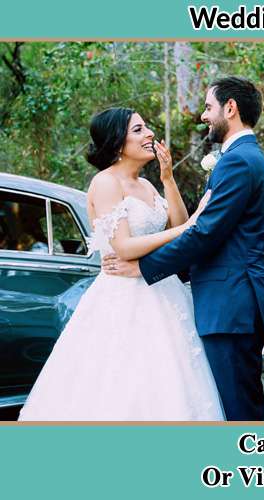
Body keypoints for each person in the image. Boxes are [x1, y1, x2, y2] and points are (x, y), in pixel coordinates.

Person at [18, 107, 223, 421]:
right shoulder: (105, 183)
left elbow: (180, 226)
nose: (150, 134)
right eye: (138, 130)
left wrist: (168, 180)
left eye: (146, 127)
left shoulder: (147, 185)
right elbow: (124, 247)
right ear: (117, 143)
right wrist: (185, 228)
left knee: (171, 380)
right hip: (124, 296)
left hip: (163, 293)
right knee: (120, 382)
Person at [103, 77, 264, 421]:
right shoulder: (242, 158)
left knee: (238, 412)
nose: (203, 116)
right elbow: (201, 230)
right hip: (229, 303)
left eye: (209, 107)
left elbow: (204, 233)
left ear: (231, 108)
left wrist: (143, 268)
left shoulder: (238, 162)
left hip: (230, 305)